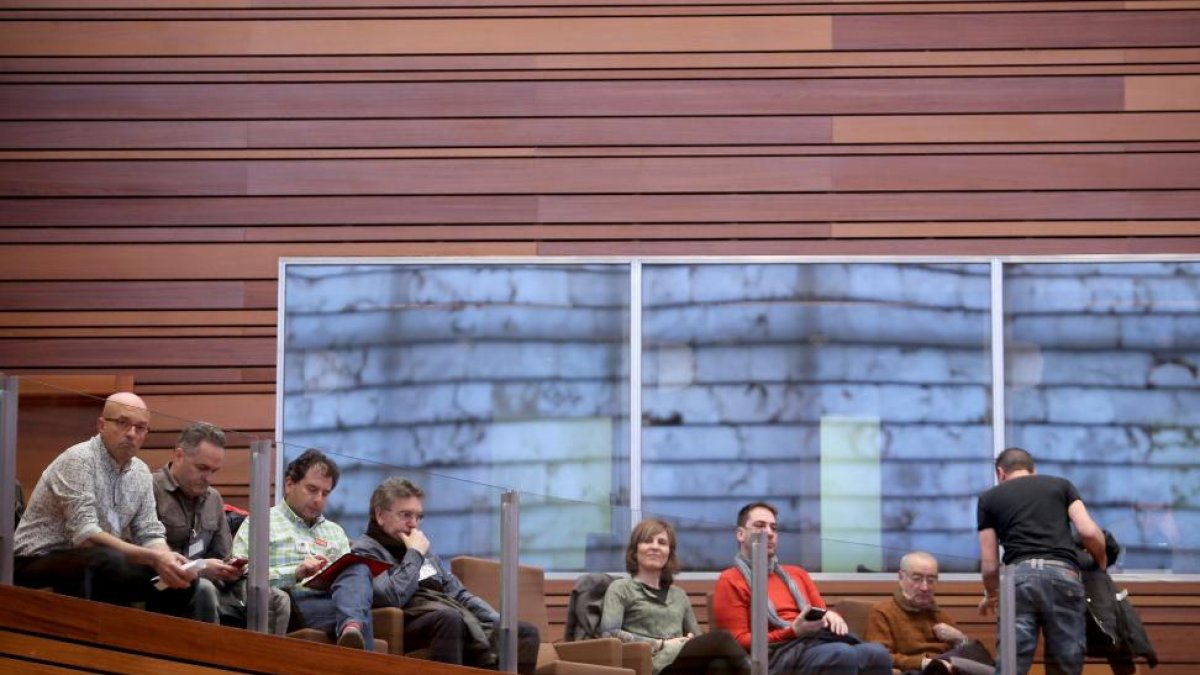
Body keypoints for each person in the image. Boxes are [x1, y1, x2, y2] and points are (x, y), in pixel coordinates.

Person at [13, 392, 200, 610]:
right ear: (101, 425)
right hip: (34, 560)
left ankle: (151, 641)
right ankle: (89, 641)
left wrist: (167, 560)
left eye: (140, 428)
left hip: (97, 558)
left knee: (181, 578)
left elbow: (149, 532)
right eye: (123, 423)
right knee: (108, 561)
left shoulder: (141, 472)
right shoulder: (79, 459)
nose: (131, 434)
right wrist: (153, 557)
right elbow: (86, 536)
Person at [350, 477, 541, 674]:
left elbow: (458, 594)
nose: (414, 524)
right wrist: (414, 554)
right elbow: (390, 597)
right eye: (406, 515)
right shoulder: (365, 551)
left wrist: (498, 622)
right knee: (450, 619)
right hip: (402, 621)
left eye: (418, 517)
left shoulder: (422, 551)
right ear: (380, 515)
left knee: (523, 632)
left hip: (445, 613)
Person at [712, 501, 892, 675]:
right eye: (760, 526)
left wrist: (830, 616)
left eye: (773, 528)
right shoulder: (730, 580)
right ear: (740, 534)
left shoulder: (797, 574)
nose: (769, 532)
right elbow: (736, 642)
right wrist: (792, 632)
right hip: (773, 656)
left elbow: (820, 614)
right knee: (840, 654)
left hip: (813, 643)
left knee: (877, 653)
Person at [977, 447, 1107, 675]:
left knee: (1011, 666)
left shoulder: (988, 499)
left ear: (1000, 473)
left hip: (1017, 579)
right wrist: (1101, 559)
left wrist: (991, 594)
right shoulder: (1061, 486)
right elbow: (1088, 532)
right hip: (1062, 576)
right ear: (1033, 470)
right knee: (1066, 664)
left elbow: (989, 565)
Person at [151, 421, 290, 633]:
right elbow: (144, 552)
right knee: (204, 590)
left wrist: (232, 569)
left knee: (276, 598)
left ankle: (261, 664)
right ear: (179, 455)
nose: (208, 478)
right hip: (164, 583)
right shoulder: (151, 488)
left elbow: (224, 556)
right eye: (202, 468)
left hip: (213, 583)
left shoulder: (213, 498)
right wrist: (202, 568)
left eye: (214, 471)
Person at [231, 448, 374, 649]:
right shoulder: (261, 521)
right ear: (290, 484)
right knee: (360, 617)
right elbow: (242, 576)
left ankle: (350, 627)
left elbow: (349, 584)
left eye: (325, 493)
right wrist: (295, 573)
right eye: (312, 489)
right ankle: (352, 628)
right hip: (288, 601)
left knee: (359, 569)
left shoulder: (335, 532)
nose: (319, 500)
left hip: (332, 601)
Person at [600, 518, 750, 675]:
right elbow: (610, 633)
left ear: (669, 553)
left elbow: (698, 638)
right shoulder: (620, 588)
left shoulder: (679, 595)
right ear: (635, 550)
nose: (655, 547)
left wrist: (690, 640)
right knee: (722, 638)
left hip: (681, 663)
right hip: (652, 667)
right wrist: (661, 644)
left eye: (662, 543)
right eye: (647, 541)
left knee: (719, 666)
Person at [864, 551, 993, 675]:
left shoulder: (940, 615)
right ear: (901, 577)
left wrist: (960, 638)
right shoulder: (883, 613)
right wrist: (923, 663)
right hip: (918, 670)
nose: (924, 587)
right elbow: (880, 658)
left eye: (931, 580)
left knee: (977, 654)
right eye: (917, 579)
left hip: (948, 666)